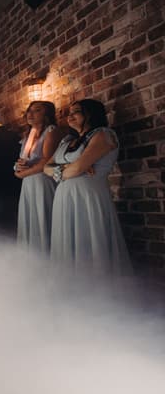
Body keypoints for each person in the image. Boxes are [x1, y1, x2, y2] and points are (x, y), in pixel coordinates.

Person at [44, 99, 131, 275]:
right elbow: (46, 167)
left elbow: (76, 168)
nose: (70, 116)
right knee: (66, 241)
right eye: (69, 112)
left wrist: (71, 168)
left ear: (91, 113)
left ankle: (97, 287)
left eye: (76, 111)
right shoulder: (67, 141)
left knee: (90, 240)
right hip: (64, 197)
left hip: (88, 195)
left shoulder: (103, 134)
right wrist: (71, 168)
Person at [14, 101, 64, 253]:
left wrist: (20, 174)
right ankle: (32, 257)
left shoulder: (51, 131)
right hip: (28, 183)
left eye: (37, 110)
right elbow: (23, 160)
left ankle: (47, 254)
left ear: (46, 114)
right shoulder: (28, 135)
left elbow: (46, 161)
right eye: (29, 111)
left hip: (43, 180)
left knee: (43, 217)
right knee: (30, 219)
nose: (30, 114)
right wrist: (17, 167)